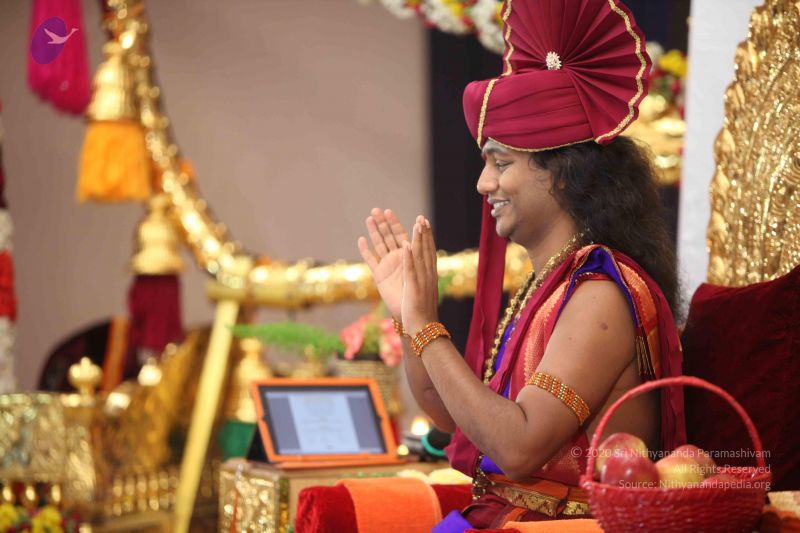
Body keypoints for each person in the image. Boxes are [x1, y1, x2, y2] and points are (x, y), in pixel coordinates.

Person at [357, 0, 686, 529]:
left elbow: (517, 447)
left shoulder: (602, 292)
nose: (483, 183)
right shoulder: (551, 284)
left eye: (501, 162)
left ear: (563, 174)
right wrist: (407, 315)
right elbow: (451, 416)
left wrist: (425, 325)